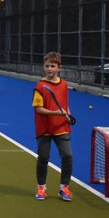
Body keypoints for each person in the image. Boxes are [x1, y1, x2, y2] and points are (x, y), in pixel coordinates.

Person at [32, 51, 73, 201]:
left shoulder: (64, 85)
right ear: (43, 67)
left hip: (61, 127)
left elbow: (64, 104)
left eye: (53, 66)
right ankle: (41, 188)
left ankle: (64, 188)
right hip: (44, 128)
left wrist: (68, 114)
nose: (49, 69)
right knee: (43, 157)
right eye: (47, 66)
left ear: (59, 68)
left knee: (67, 156)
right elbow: (38, 109)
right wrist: (56, 113)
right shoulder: (40, 86)